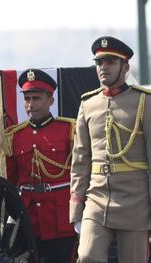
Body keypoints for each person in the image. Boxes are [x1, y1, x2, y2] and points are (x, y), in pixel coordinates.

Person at [70, 36, 151, 263]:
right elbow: (80, 160)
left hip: (135, 201)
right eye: (99, 62)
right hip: (96, 199)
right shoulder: (88, 104)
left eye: (110, 62)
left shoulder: (144, 102)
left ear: (125, 67)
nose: (103, 67)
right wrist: (76, 209)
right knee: (86, 256)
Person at [5, 69, 76, 263]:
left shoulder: (69, 130)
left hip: (60, 216)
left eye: (36, 98)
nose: (30, 105)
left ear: (50, 101)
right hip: (28, 217)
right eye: (27, 99)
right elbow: (11, 179)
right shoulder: (14, 136)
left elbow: (79, 173)